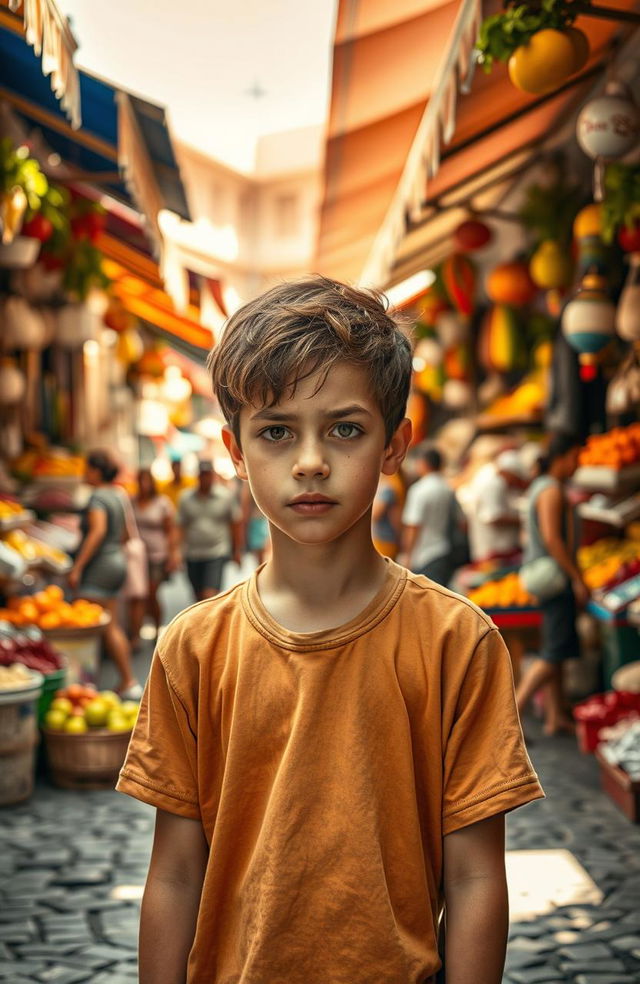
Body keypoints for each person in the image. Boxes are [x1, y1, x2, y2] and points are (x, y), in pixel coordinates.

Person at [117, 276, 543, 984]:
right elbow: (174, 874)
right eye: (276, 431)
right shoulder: (193, 648)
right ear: (235, 449)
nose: (310, 460)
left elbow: (474, 879)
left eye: (345, 429)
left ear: (394, 444)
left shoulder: (455, 642)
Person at [516, 431, 588, 736]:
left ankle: (555, 717)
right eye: (575, 457)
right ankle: (510, 717)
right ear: (563, 456)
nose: (577, 465)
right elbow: (553, 539)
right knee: (552, 654)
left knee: (554, 650)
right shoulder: (551, 491)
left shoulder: (540, 487)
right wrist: (577, 577)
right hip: (554, 577)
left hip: (543, 574)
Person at [68, 449, 141, 699]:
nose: (83, 474)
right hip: (117, 562)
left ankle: (87, 686)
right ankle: (127, 680)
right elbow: (127, 535)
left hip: (99, 567)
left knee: (89, 626)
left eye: (87, 469)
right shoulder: (119, 494)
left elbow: (97, 532)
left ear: (96, 472)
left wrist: (78, 566)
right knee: (109, 624)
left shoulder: (98, 497)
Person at [176, 459, 243, 600]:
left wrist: (237, 550)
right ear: (198, 476)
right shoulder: (186, 498)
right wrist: (176, 551)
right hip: (193, 553)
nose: (205, 478)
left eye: (208, 475)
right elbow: (180, 526)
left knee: (210, 595)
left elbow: (235, 523)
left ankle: (212, 621)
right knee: (198, 596)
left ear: (212, 476)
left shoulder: (225, 496)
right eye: (202, 475)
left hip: (216, 552)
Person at [400, 444, 465, 585]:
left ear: (423, 463)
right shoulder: (448, 488)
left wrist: (407, 556)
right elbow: (462, 522)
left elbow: (413, 526)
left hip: (424, 555)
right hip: (444, 552)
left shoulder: (419, 490)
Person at [129, 467, 180, 646]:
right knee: (138, 595)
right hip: (137, 556)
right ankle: (135, 634)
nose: (143, 485)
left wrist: (173, 554)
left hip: (158, 555)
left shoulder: (162, 503)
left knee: (151, 592)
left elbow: (171, 530)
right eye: (140, 481)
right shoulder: (132, 502)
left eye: (146, 481)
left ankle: (158, 628)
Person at [465, 449, 529, 564]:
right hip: (493, 552)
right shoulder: (494, 484)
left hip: (499, 551)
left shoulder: (498, 484)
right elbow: (494, 517)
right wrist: (523, 520)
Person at [372, 472, 404, 558]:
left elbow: (375, 514)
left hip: (385, 539)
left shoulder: (389, 487)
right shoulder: (394, 482)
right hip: (385, 538)